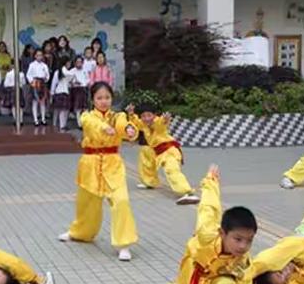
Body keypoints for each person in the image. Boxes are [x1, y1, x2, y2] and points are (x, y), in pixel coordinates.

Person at [155, 165, 260, 284]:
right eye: (238, 239)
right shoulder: (207, 233)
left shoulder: (243, 263)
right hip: (193, 273)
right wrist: (211, 181)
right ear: (222, 233)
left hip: (216, 280)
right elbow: (209, 206)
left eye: (249, 240)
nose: (243, 246)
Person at [58, 82, 139, 261]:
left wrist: (128, 129)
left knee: (121, 200)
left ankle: (123, 244)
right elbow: (91, 125)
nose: (103, 101)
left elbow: (123, 125)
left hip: (113, 164)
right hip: (90, 164)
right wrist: (104, 128)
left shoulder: (118, 116)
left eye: (107, 97)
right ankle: (79, 232)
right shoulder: (87, 115)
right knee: (86, 203)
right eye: (99, 98)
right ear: (93, 99)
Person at [127, 103, 199, 205]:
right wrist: (131, 113)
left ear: (154, 115)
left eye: (149, 115)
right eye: (143, 116)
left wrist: (165, 120)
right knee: (145, 153)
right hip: (155, 150)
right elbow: (136, 122)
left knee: (171, 170)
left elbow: (161, 124)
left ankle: (187, 193)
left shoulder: (157, 121)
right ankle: (150, 182)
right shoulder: (143, 124)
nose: (146, 118)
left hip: (168, 150)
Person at [26, 49, 50, 127]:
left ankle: (43, 119)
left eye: (41, 55)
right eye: (38, 55)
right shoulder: (32, 65)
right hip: (35, 82)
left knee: (42, 101)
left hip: (42, 83)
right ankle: (35, 119)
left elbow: (47, 74)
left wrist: (46, 79)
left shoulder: (44, 65)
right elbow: (28, 75)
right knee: (35, 102)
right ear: (35, 56)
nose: (39, 57)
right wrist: (32, 82)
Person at [50, 56, 73, 131]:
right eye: (69, 62)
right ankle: (62, 125)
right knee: (63, 110)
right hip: (63, 92)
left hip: (58, 92)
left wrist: (52, 92)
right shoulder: (67, 72)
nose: (70, 64)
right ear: (66, 63)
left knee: (59, 110)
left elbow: (53, 83)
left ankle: (56, 124)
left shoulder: (58, 72)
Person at [2, 60, 25, 126]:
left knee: (14, 106)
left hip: (11, 89)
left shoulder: (9, 74)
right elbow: (23, 83)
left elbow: (6, 84)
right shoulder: (21, 74)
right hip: (18, 89)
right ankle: (20, 120)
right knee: (20, 106)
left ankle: (16, 119)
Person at [70, 55, 89, 129]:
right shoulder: (72, 71)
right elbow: (69, 81)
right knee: (77, 108)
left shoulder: (85, 70)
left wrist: (84, 83)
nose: (79, 63)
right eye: (77, 62)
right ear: (74, 63)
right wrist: (74, 82)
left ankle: (86, 123)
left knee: (85, 107)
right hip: (75, 91)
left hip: (84, 89)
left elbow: (88, 79)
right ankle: (79, 124)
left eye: (80, 62)